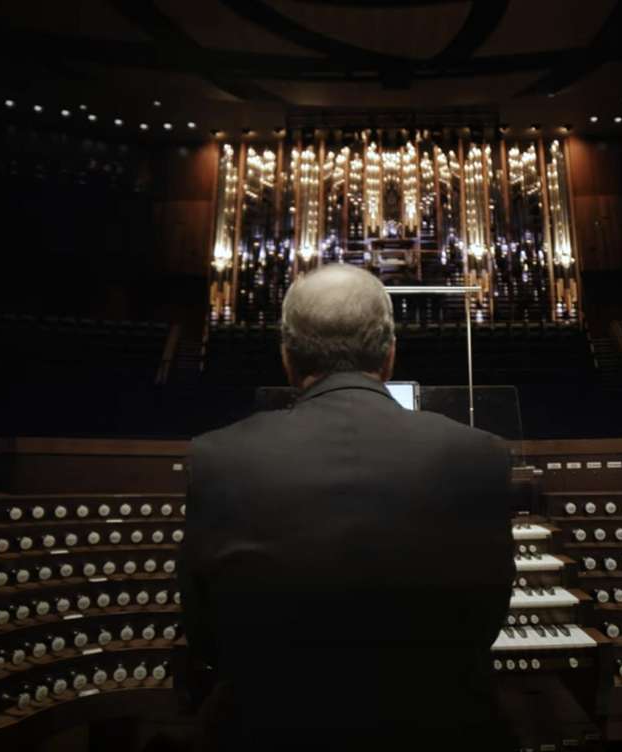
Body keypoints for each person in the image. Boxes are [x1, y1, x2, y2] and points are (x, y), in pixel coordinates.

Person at [179, 264, 516, 751]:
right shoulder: (481, 454)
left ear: (287, 358)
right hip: (443, 726)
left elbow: (203, 636)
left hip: (266, 727)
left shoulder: (215, 456)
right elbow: (487, 621)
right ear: (390, 355)